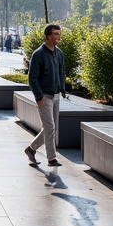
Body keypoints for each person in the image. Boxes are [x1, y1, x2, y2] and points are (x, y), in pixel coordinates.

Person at [25, 23, 67, 168]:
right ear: (48, 35)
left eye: (59, 34)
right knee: (50, 127)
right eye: (55, 34)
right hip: (44, 96)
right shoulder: (38, 54)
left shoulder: (59, 54)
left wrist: (62, 89)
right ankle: (52, 158)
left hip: (56, 96)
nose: (58, 36)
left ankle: (31, 149)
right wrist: (38, 97)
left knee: (51, 128)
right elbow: (32, 78)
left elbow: (61, 73)